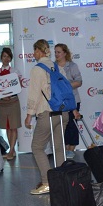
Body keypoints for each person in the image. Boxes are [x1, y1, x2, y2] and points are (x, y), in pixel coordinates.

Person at [25, 40, 80, 195]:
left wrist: (29, 114)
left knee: (37, 147)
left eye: (34, 50)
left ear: (39, 51)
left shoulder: (37, 69)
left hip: (47, 113)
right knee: (58, 147)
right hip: (63, 113)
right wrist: (73, 109)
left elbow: (34, 94)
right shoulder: (57, 67)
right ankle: (63, 180)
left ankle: (47, 182)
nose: (33, 54)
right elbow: (67, 89)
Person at [54, 43, 83, 159]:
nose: (56, 54)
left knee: (72, 125)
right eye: (55, 52)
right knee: (61, 125)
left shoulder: (72, 66)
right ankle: (63, 148)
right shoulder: (53, 67)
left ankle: (71, 149)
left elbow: (79, 82)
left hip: (73, 101)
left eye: (59, 52)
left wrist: (65, 86)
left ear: (65, 53)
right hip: (59, 102)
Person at [0, 48, 21, 160]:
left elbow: (17, 86)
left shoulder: (15, 71)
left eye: (8, 56)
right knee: (7, 126)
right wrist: (2, 96)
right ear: (1, 57)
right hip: (2, 102)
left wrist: (9, 95)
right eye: (4, 56)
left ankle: (11, 150)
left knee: (13, 126)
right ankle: (12, 149)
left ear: (11, 58)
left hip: (13, 101)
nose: (6, 58)